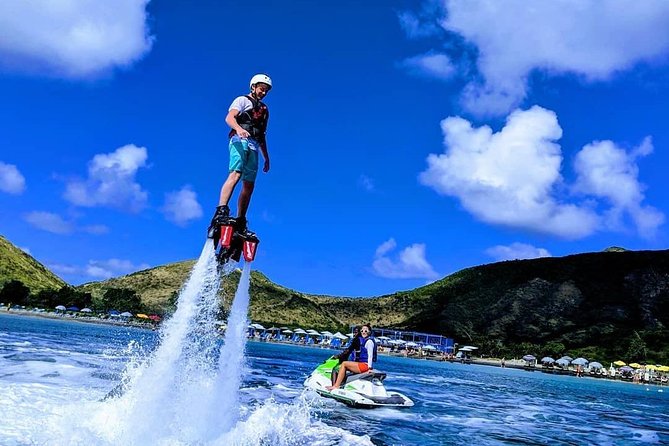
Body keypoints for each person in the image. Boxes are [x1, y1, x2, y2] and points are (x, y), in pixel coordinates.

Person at [208, 74, 272, 237]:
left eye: (266, 90)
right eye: (261, 89)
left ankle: (241, 219)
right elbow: (229, 117)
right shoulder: (242, 100)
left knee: (249, 185)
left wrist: (266, 157)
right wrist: (238, 129)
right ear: (253, 87)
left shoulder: (264, 110)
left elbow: (262, 135)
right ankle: (221, 209)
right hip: (240, 140)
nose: (263, 92)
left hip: (254, 145)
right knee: (235, 174)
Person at [327, 324, 377, 390]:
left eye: (366, 330)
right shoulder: (363, 340)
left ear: (369, 332)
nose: (363, 332)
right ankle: (343, 385)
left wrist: (369, 368)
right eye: (362, 331)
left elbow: (370, 355)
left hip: (365, 365)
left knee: (344, 364)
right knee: (345, 366)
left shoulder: (369, 342)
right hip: (362, 364)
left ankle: (336, 386)